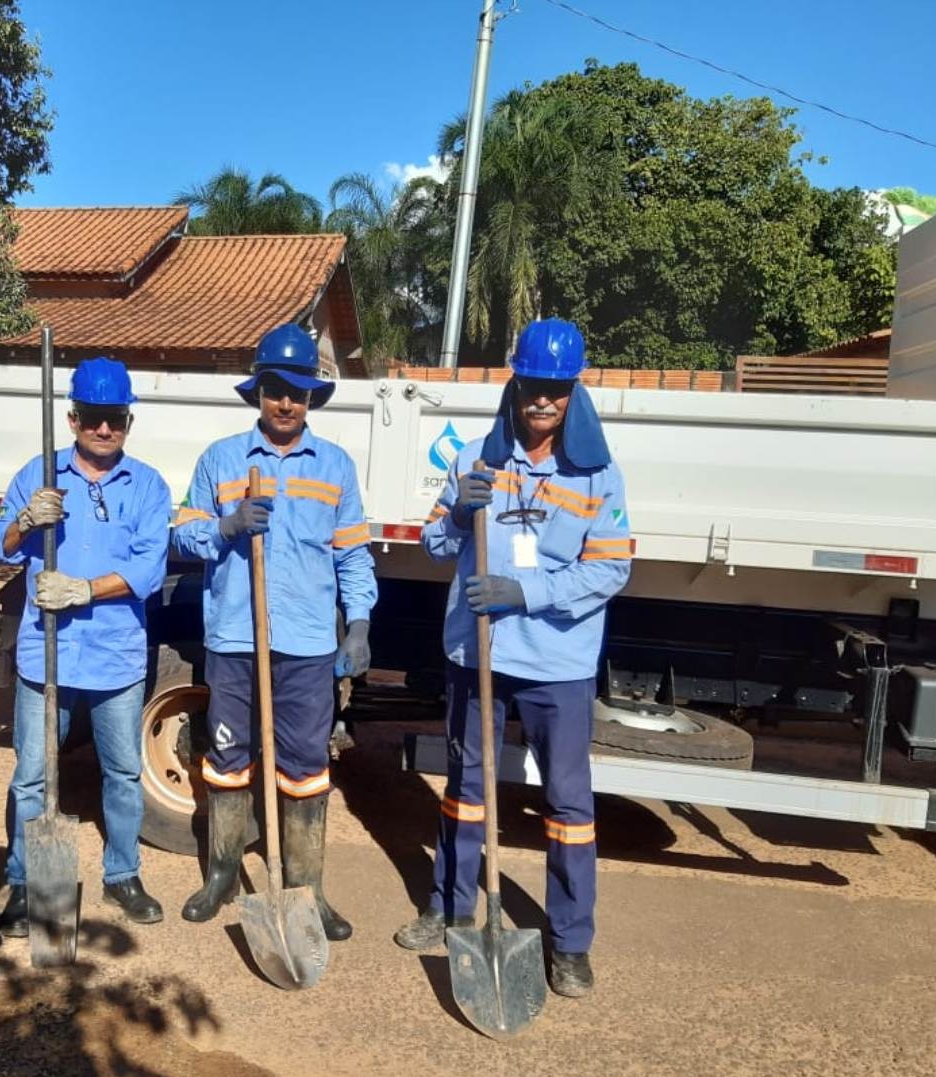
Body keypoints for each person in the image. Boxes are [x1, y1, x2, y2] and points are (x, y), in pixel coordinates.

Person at [393, 318, 632, 998]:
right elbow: (434, 546)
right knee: (467, 790)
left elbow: (610, 569)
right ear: (516, 383)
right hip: (479, 653)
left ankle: (570, 943)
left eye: (557, 388)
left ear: (573, 390)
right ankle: (451, 909)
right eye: (533, 385)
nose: (543, 400)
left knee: (568, 803)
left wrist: (526, 592)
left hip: (558, 664)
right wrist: (452, 516)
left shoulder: (598, 474)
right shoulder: (476, 458)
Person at [170, 322, 377, 941]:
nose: (286, 402)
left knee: (306, 766)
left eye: (298, 392)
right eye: (275, 389)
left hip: (308, 643)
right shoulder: (221, 459)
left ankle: (307, 889)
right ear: (258, 392)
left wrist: (359, 623)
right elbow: (183, 536)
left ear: (312, 397)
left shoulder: (335, 466)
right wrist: (226, 526)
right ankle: (222, 874)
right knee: (228, 758)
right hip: (235, 637)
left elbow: (352, 556)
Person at [0, 357, 172, 935]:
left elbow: (149, 569)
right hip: (48, 653)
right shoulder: (40, 474)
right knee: (31, 777)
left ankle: (122, 876)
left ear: (128, 422)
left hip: (115, 657)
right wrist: (24, 521)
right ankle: (25, 884)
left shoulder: (148, 486)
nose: (104, 428)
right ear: (73, 419)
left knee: (123, 773)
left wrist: (83, 590)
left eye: (114, 418)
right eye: (92, 417)